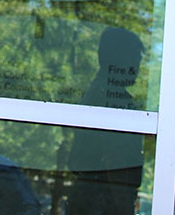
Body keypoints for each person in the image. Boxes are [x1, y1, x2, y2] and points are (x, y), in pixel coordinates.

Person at [65, 27, 145, 215]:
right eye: (134, 58)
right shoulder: (108, 99)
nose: (137, 67)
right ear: (117, 59)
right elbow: (114, 158)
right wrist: (122, 205)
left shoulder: (104, 94)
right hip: (100, 200)